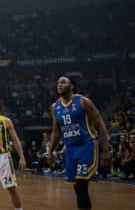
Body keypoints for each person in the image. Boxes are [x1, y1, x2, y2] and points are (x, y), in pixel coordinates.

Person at [48, 76, 110, 210]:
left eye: (63, 82)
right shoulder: (55, 106)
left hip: (86, 145)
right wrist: (50, 151)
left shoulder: (83, 101)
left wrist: (105, 150)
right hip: (70, 149)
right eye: (58, 83)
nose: (59, 85)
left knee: (81, 184)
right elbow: (56, 132)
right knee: (77, 186)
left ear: (72, 86)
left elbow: (100, 125)